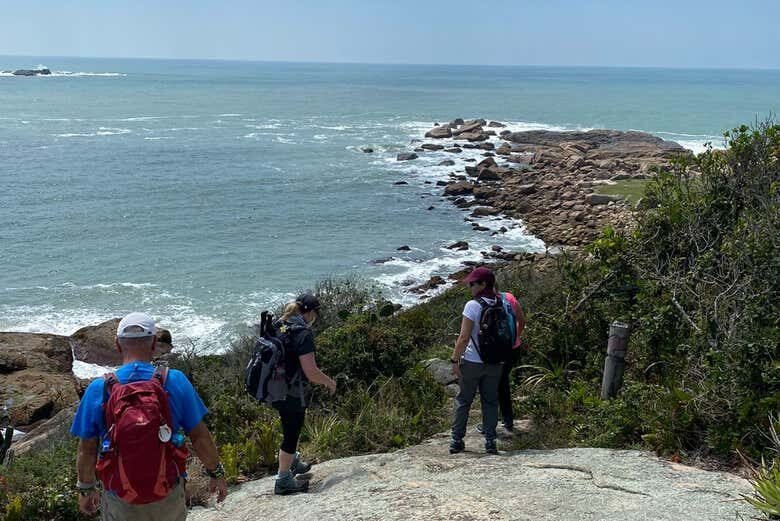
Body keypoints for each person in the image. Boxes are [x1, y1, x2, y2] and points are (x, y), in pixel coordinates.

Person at [71, 312, 228, 520]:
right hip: (168, 491)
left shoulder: (99, 389)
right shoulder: (175, 381)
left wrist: (85, 489)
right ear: (154, 344)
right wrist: (216, 473)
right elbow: (199, 436)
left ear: (117, 345)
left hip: (120, 497)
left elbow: (87, 449)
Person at [271, 293, 337, 495]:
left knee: (288, 426)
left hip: (275, 388)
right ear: (309, 312)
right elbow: (311, 372)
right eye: (316, 313)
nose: (315, 318)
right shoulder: (303, 334)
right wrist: (329, 382)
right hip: (292, 392)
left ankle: (293, 462)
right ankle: (283, 480)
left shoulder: (280, 325)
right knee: (292, 433)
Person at [449, 266, 504, 455]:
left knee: (464, 400)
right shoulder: (502, 302)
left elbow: (463, 338)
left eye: (473, 283)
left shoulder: (472, 305)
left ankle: (456, 440)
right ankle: (490, 441)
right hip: (495, 362)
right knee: (490, 401)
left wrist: (454, 360)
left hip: (472, 361)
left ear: (483, 284)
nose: (470, 287)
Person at [496, 286, 525, 432]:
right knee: (503, 383)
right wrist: (516, 338)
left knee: (491, 386)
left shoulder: (483, 302)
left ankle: (494, 421)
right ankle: (507, 419)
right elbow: (521, 319)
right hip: (513, 348)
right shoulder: (509, 297)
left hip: (496, 351)